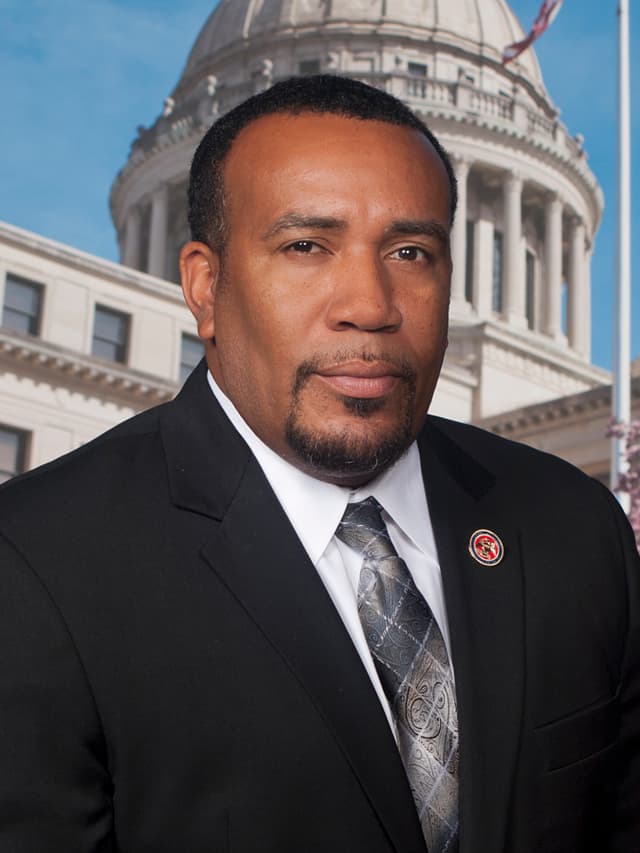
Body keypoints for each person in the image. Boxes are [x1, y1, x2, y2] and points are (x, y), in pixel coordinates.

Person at [0, 75, 638, 853]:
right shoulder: (35, 567)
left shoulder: (575, 528)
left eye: (411, 251)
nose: (368, 304)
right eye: (306, 246)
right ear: (205, 285)